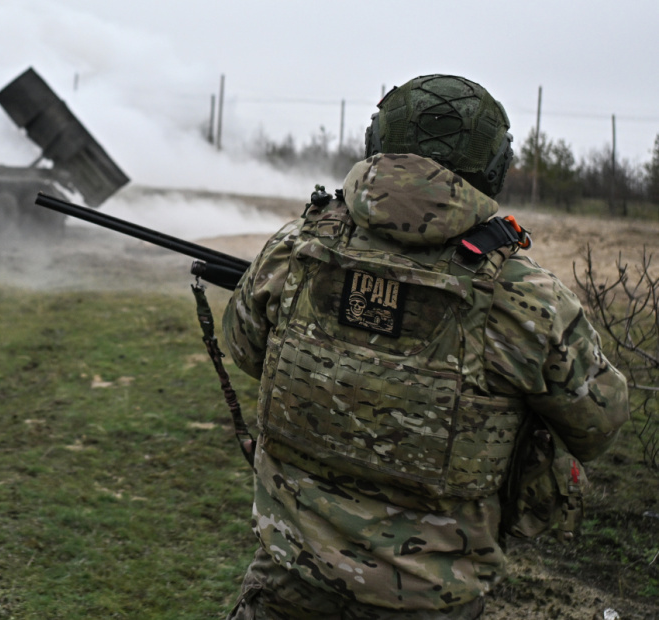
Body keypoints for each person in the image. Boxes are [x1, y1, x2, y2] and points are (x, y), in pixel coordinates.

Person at [221, 74, 629, 619]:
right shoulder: (528, 299)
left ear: (377, 143)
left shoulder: (294, 247)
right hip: (429, 601)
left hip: (287, 584)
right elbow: (599, 423)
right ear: (493, 166)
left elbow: (244, 348)